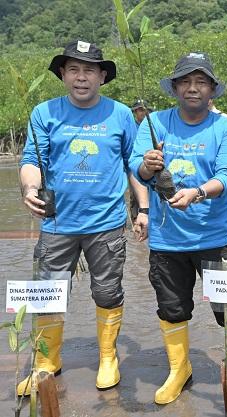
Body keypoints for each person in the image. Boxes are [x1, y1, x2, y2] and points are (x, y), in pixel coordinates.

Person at [129, 52, 227, 405]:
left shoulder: (225, 127)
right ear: (175, 88)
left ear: (211, 90)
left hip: (217, 239)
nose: (193, 88)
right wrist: (147, 165)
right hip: (166, 241)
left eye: (201, 82)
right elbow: (136, 168)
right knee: (172, 309)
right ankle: (180, 369)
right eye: (186, 82)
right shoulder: (153, 124)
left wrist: (199, 192)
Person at [18, 39, 148, 394]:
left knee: (107, 292)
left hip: (106, 223)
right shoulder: (44, 113)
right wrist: (30, 190)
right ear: (62, 74)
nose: (81, 77)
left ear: (102, 76)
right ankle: (46, 362)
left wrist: (144, 210)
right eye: (73, 69)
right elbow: (31, 160)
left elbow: (134, 165)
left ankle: (108, 357)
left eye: (89, 70)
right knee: (47, 292)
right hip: (57, 222)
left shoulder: (120, 114)